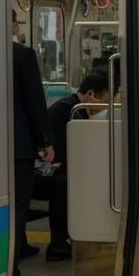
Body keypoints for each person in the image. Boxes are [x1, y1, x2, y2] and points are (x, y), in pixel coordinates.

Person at [40, 71, 112, 261]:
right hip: (43, 173)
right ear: (91, 94)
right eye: (103, 103)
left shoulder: (75, 109)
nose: (103, 109)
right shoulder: (65, 113)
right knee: (66, 185)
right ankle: (57, 243)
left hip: (56, 167)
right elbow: (63, 156)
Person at [11, 12, 54, 276]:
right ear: (13, 25)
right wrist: (46, 142)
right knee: (16, 212)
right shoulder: (22, 55)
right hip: (18, 149)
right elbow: (34, 102)